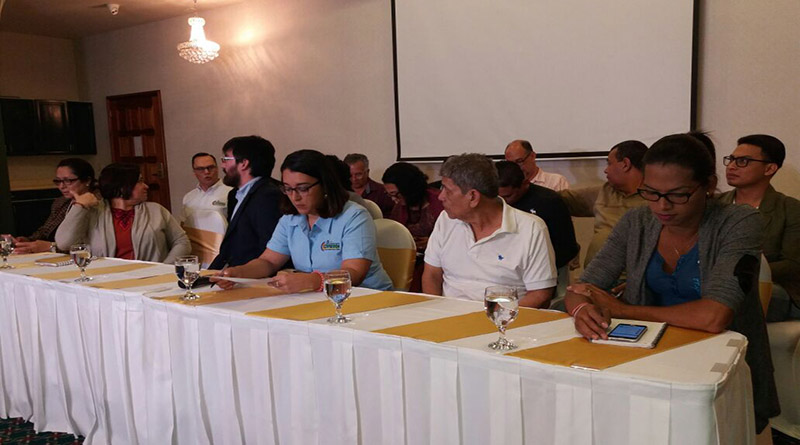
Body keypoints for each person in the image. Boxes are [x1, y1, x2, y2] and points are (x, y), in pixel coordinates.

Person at [565, 133, 779, 433]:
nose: (662, 206)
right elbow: (581, 288)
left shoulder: (739, 222)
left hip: (716, 368)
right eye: (651, 193)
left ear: (708, 185)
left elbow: (714, 316)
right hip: (646, 361)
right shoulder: (637, 222)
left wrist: (621, 309)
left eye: (678, 195)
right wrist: (581, 310)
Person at [213, 149, 393, 293]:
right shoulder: (290, 219)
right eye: (288, 189)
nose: (295, 197)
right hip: (318, 298)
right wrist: (238, 272)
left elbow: (354, 273)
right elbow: (268, 262)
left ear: (324, 184)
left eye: (303, 188)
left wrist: (312, 281)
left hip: (367, 298)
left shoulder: (354, 217)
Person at [422, 154, 557, 308]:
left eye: (448, 190)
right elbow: (432, 274)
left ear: (473, 197)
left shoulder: (530, 229)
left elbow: (540, 294)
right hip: (448, 315)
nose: (441, 197)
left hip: (505, 317)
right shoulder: (446, 220)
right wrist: (435, 310)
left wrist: (500, 317)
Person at [719, 134, 800, 322]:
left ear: (769, 168)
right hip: (717, 283)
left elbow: (792, 265)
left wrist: (741, 272)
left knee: (736, 292)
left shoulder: (790, 209)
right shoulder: (715, 205)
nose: (731, 166)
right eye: (731, 159)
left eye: (743, 161)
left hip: (774, 288)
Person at [55, 163, 191, 263]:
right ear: (122, 185)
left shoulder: (156, 210)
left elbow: (181, 241)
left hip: (151, 279)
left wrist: (164, 267)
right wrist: (80, 206)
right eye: (140, 181)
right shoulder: (92, 212)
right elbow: (64, 243)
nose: (146, 186)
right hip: (106, 279)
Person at [560, 140, 648, 267]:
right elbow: (559, 200)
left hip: (632, 275)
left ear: (625, 164)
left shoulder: (656, 199)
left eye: (609, 163)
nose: (606, 170)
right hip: (594, 275)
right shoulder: (605, 191)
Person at [209, 136, 282, 270]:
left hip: (253, 275)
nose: (223, 165)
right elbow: (231, 246)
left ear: (244, 163)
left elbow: (269, 248)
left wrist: (241, 273)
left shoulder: (268, 196)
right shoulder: (234, 194)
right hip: (232, 273)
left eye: (226, 159)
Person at [496, 160, 579, 275]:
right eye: (497, 197)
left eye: (508, 196)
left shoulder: (549, 201)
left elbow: (566, 248)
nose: (503, 202)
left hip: (546, 268)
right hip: (503, 267)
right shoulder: (491, 201)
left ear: (525, 183)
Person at [14, 158, 97, 254]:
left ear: (87, 181)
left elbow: (89, 244)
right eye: (58, 181)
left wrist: (51, 247)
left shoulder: (97, 203)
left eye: (68, 181)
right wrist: (28, 241)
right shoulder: (61, 202)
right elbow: (46, 230)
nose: (61, 186)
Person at [181, 152, 232, 265]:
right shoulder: (188, 197)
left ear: (217, 168)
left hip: (224, 253)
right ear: (194, 172)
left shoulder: (230, 193)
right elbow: (184, 226)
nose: (206, 172)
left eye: (210, 167)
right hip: (196, 255)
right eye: (201, 169)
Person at [381, 162, 444, 252]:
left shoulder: (440, 201)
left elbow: (450, 237)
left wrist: (432, 241)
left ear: (408, 188)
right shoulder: (399, 207)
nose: (393, 199)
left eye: (395, 194)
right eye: (390, 194)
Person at [328, 154, 383, 220]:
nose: (354, 179)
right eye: (350, 175)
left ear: (367, 172)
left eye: (358, 174)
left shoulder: (382, 191)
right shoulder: (339, 192)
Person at [504, 140, 569, 191]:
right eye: (510, 164)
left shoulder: (556, 181)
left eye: (519, 161)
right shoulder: (506, 185)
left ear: (532, 156)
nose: (515, 167)